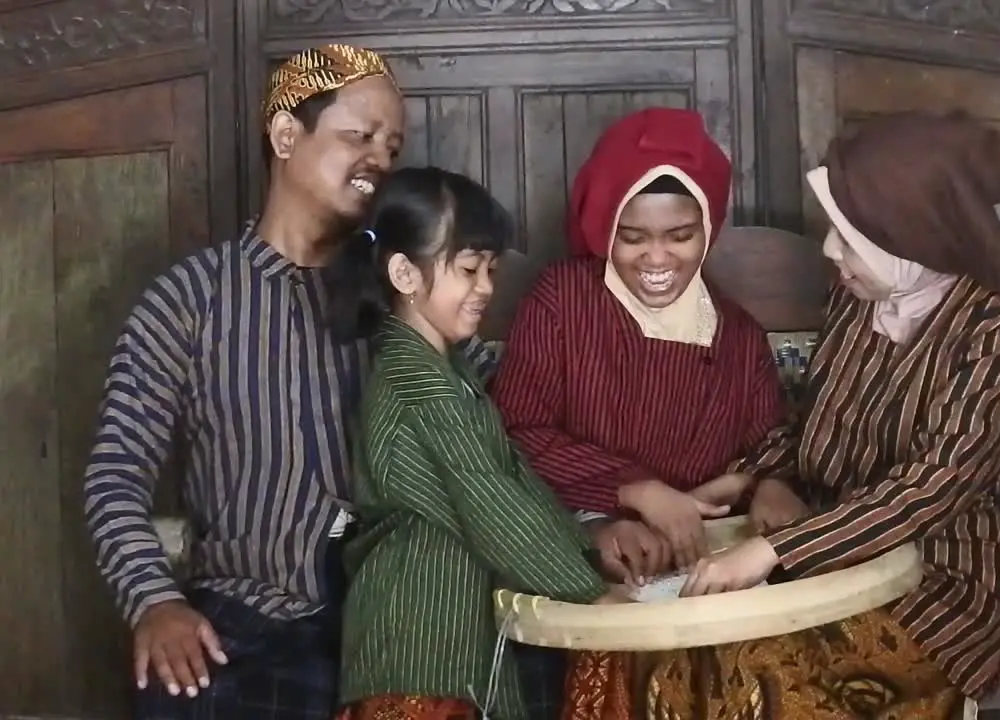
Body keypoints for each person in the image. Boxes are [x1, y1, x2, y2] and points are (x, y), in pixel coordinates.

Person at [633, 111, 1000, 718]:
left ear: (915, 237)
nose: (830, 251)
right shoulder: (856, 303)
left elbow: (925, 491)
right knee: (680, 665)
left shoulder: (998, 339)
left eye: (849, 238)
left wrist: (771, 553)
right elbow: (813, 422)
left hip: (939, 587)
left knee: (760, 677)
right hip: (829, 567)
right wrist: (754, 476)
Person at [82, 45, 410, 720]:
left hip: (385, 615)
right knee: (176, 691)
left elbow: (500, 403)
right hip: (242, 620)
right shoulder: (188, 300)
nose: (379, 158)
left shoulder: (397, 296)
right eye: (359, 136)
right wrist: (155, 599)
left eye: (392, 145)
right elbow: (115, 474)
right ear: (287, 135)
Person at [487, 108, 787, 720]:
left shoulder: (738, 337)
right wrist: (630, 498)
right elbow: (514, 433)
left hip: (696, 589)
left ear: (708, 229)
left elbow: (771, 443)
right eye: (632, 237)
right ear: (603, 228)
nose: (658, 259)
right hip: (579, 565)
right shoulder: (562, 300)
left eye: (680, 236)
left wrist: (765, 482)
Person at [326, 166, 631, 720]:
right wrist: (588, 592)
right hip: (414, 648)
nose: (486, 287)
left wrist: (586, 546)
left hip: (444, 646)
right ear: (404, 274)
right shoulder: (417, 380)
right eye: (468, 269)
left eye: (489, 269)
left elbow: (514, 473)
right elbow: (491, 498)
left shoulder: (448, 370)